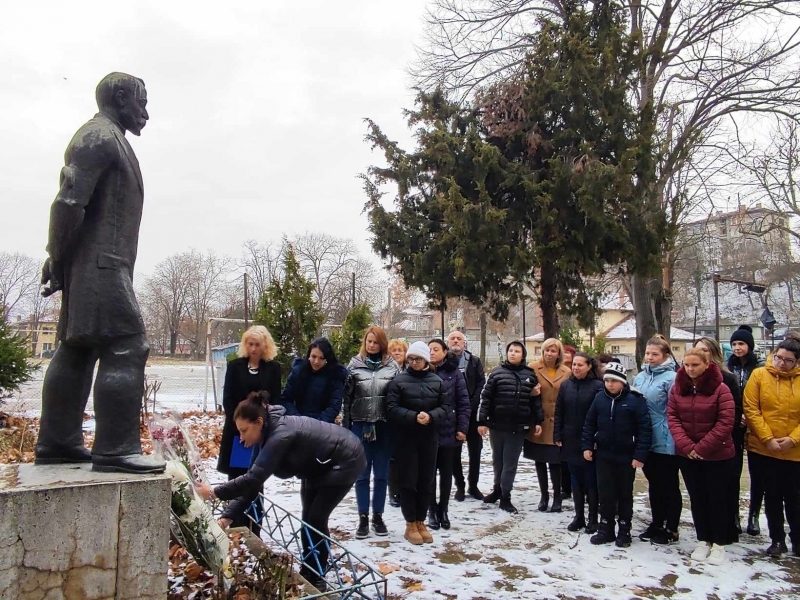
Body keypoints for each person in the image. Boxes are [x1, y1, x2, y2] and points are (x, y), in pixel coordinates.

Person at [35, 73, 165, 474]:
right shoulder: (98, 137)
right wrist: (57, 256)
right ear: (121, 97)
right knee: (127, 344)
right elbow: (69, 203)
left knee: (77, 349)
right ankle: (115, 448)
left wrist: (60, 258)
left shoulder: (110, 139)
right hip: (101, 265)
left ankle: (58, 442)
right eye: (141, 101)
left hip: (94, 265)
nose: (146, 111)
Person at [197, 393, 366, 590]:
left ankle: (317, 577)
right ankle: (310, 571)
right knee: (309, 518)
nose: (242, 439)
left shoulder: (280, 436)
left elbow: (253, 479)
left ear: (259, 421)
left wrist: (214, 492)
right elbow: (253, 483)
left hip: (345, 460)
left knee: (316, 519)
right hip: (319, 464)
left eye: (244, 431)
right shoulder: (266, 434)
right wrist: (228, 516)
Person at [667, 349, 735, 565]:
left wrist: (703, 447)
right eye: (686, 365)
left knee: (717, 497)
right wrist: (687, 446)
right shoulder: (678, 389)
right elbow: (673, 417)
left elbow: (725, 422)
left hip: (717, 455)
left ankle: (719, 543)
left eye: (695, 365)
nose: (690, 369)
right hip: (688, 455)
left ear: (707, 364)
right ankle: (703, 539)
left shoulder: (721, 389)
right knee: (697, 497)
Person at [582, 361, 652, 547]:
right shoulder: (599, 399)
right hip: (603, 455)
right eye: (607, 380)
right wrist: (587, 446)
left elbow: (644, 429)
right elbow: (589, 423)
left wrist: (639, 455)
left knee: (624, 494)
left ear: (622, 381)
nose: (610, 384)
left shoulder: (635, 400)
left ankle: (624, 530)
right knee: (605, 493)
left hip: (626, 456)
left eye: (614, 380)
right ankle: (605, 529)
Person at [218, 326, 282, 526]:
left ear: (265, 346)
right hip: (237, 433)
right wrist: (240, 424)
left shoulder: (273, 368)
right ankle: (234, 524)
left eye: (257, 345)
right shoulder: (235, 366)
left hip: (260, 431)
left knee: (255, 479)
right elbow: (227, 399)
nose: (253, 349)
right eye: (250, 344)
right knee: (236, 478)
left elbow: (276, 399)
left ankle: (255, 527)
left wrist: (260, 425)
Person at [386, 342, 449, 545]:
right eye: (411, 359)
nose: (414, 362)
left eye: (418, 359)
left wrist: (430, 416)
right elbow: (392, 407)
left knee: (426, 480)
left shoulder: (437, 381)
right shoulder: (399, 381)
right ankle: (410, 522)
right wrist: (413, 416)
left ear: (425, 360)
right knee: (408, 480)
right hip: (407, 438)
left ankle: (421, 520)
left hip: (429, 437)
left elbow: (446, 406)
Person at [743, 338, 800, 558]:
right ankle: (777, 539)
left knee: (794, 497)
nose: (782, 363)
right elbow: (751, 408)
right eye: (779, 357)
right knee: (772, 495)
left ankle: (797, 538)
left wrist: (793, 439)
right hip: (764, 448)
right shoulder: (759, 375)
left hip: (794, 451)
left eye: (788, 360)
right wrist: (767, 438)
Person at [342, 326, 400, 539]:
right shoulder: (354, 366)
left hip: (385, 427)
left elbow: (397, 397)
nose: (372, 345)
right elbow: (346, 400)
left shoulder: (393, 367)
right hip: (360, 426)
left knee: (382, 475)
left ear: (382, 343)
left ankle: (378, 515)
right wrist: (346, 428)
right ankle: (363, 517)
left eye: (376, 342)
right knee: (362, 475)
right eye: (369, 342)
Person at [478, 341, 543, 514]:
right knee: (497, 460)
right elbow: (486, 398)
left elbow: (535, 401)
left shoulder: (530, 375)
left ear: (523, 355)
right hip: (497, 425)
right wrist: (482, 421)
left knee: (510, 463)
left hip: (518, 427)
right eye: (511, 351)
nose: (513, 353)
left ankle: (506, 496)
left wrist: (538, 421)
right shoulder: (497, 373)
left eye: (517, 351)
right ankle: (497, 490)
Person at [633, 335, 681, 545]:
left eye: (655, 354)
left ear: (665, 356)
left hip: (665, 435)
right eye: (648, 353)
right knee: (653, 483)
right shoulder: (640, 377)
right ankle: (657, 522)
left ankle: (672, 527)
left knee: (668, 483)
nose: (650, 358)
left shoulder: (672, 378)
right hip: (644, 437)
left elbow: (675, 408)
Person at [695, 337, 743, 539]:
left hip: (724, 442)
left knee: (725, 488)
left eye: (705, 350)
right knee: (702, 491)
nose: (701, 353)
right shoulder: (688, 378)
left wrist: (716, 438)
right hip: (696, 442)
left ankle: (729, 526)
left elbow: (733, 414)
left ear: (713, 353)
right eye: (697, 350)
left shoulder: (727, 379)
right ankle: (706, 531)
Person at [554, 352, 604, 533]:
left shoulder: (598, 386)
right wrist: (557, 435)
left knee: (590, 481)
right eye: (574, 364)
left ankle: (592, 519)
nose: (575, 368)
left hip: (589, 441)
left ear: (589, 366)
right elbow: (559, 411)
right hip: (570, 439)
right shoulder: (566, 385)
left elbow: (600, 415)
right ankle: (579, 517)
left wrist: (595, 439)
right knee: (575, 480)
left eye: (580, 365)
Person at [728, 324, 766, 536]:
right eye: (734, 344)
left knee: (757, 473)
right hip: (734, 422)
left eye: (741, 343)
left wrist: (751, 417)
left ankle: (754, 515)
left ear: (749, 346)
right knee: (733, 472)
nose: (737, 347)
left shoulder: (759, 368)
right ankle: (734, 514)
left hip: (755, 423)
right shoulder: (728, 366)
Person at [427, 339, 470, 529]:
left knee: (446, 473)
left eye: (436, 349)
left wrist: (462, 428)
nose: (432, 353)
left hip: (449, 430)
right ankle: (431, 510)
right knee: (428, 474)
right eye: (429, 350)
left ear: (445, 352)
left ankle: (443, 509)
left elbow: (463, 402)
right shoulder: (422, 371)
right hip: (426, 431)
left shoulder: (455, 374)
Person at [525, 338, 571, 512]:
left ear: (559, 353)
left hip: (557, 422)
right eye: (546, 350)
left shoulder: (566, 371)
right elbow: (525, 389)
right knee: (540, 460)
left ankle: (557, 497)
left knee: (556, 462)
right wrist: (531, 392)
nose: (549, 354)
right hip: (539, 421)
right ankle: (544, 496)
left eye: (553, 351)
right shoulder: (533, 367)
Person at [447, 330, 487, 501]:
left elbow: (481, 385)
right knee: (454, 453)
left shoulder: (474, 361)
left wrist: (470, 406)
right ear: (448, 343)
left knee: (475, 451)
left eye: (459, 339)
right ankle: (460, 486)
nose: (456, 341)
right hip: (452, 415)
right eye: (453, 339)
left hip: (472, 414)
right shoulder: (443, 363)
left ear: (465, 343)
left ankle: (473, 485)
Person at [280, 338, 347, 422]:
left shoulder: (335, 375)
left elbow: (334, 406)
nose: (316, 361)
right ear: (309, 356)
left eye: (321, 358)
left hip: (323, 426)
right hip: (297, 423)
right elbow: (286, 399)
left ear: (327, 359)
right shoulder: (298, 371)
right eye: (314, 356)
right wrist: (298, 419)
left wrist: (318, 424)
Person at [387, 339, 409, 508]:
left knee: (406, 458)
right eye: (393, 350)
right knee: (393, 459)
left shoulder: (411, 370)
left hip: (408, 420)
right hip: (391, 419)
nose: (397, 353)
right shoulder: (386, 371)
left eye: (400, 350)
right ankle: (393, 491)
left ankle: (405, 490)